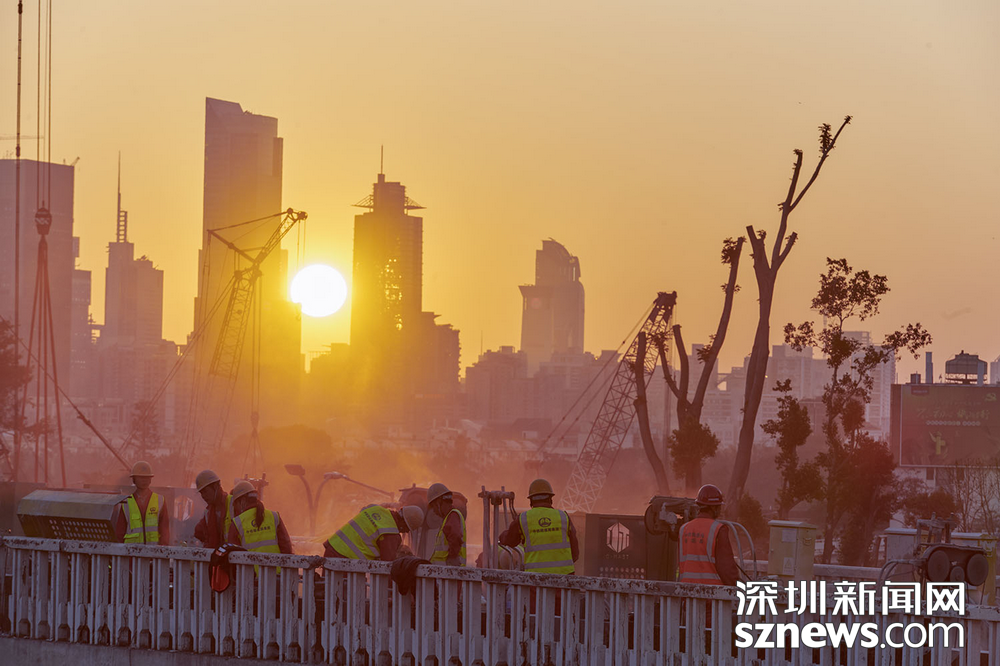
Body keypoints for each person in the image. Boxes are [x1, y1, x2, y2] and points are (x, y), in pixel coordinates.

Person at [499, 478, 578, 574]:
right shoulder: (563, 517)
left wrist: (502, 537)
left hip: (536, 578)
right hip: (564, 578)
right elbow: (575, 553)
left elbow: (510, 541)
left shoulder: (523, 519)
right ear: (550, 499)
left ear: (531, 500)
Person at [677, 484, 741, 586]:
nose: (720, 510)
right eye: (719, 507)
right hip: (711, 592)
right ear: (713, 508)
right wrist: (738, 586)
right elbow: (726, 568)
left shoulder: (683, 529)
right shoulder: (718, 529)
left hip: (686, 591)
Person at [324, 504, 424, 561]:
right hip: (345, 560)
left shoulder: (377, 509)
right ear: (403, 523)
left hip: (332, 548)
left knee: (328, 589)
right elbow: (387, 567)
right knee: (345, 592)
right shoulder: (391, 533)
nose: (405, 532)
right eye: (406, 529)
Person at [226, 480, 293, 555]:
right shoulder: (274, 517)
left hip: (248, 563)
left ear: (242, 501)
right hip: (276, 563)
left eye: (235, 504)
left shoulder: (237, 523)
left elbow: (233, 555)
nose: (235, 509)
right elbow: (286, 548)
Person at [115, 461, 170, 545]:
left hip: (153, 551)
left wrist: (162, 550)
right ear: (134, 480)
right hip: (132, 551)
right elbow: (120, 532)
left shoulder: (160, 500)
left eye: (147, 477)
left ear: (150, 480)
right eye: (141, 477)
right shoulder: (126, 502)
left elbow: (164, 530)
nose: (144, 480)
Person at [426, 483, 466, 566]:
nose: (434, 511)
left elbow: (455, 535)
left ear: (438, 503)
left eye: (433, 507)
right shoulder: (448, 518)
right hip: (444, 571)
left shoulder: (453, 516)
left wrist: (453, 557)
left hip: (448, 571)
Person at [192, 469, 233, 550]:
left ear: (215, 487)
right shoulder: (208, 513)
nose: (203, 496)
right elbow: (199, 532)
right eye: (201, 493)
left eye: (205, 491)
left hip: (235, 555)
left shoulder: (233, 503)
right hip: (219, 554)